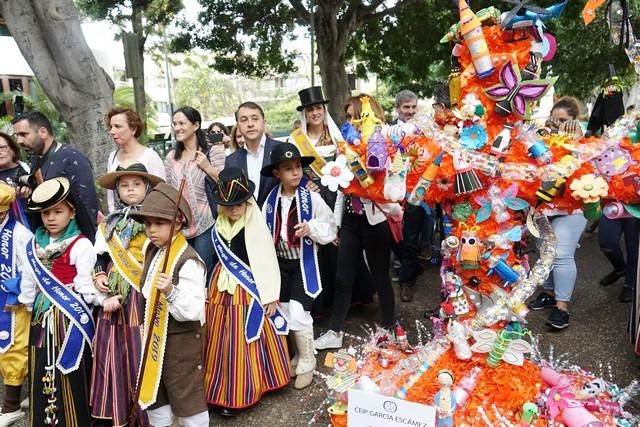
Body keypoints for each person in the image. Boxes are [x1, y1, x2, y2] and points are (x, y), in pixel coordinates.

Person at [315, 93, 401, 350]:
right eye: (348, 117)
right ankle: (335, 330)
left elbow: (392, 192)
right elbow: (342, 188)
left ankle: (389, 327)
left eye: (356, 116)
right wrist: (337, 223)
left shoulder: (383, 144)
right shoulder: (346, 148)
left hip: (375, 223)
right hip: (351, 222)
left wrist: (376, 194)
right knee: (343, 276)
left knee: (381, 276)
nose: (351, 122)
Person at [204, 167, 290, 416]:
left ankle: (245, 388)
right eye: (228, 204)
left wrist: (271, 294)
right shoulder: (219, 224)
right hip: (221, 288)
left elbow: (266, 260)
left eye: (239, 203)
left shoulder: (254, 223)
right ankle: (219, 389)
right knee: (221, 341)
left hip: (247, 290)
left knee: (245, 339)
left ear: (247, 201)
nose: (233, 209)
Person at [19, 177, 99, 426]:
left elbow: (86, 284)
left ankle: (73, 420)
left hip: (69, 317)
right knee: (42, 362)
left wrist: (101, 300)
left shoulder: (81, 245)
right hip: (42, 318)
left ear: (72, 212)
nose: (51, 218)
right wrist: (29, 304)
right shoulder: (34, 243)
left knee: (71, 368)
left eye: (58, 211)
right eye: (45, 213)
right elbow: (29, 280)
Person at [129, 182, 209, 427]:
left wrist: (171, 292)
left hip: (181, 343)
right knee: (157, 395)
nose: (152, 229)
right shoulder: (153, 250)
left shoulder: (188, 261)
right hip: (154, 340)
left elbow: (194, 310)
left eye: (160, 223)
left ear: (178, 223)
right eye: (148, 223)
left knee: (186, 399)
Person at [90, 161, 164, 427]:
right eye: (124, 185)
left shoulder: (155, 221)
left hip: (141, 296)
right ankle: (116, 407)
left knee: (140, 347)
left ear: (147, 187)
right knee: (113, 349)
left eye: (136, 184)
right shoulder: (109, 224)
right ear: (117, 191)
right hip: (113, 300)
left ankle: (146, 410)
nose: (130, 190)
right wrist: (99, 275)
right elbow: (100, 257)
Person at [261, 143, 337, 389]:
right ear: (277, 173)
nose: (295, 173)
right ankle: (295, 356)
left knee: (298, 310)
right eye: (288, 168)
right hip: (279, 263)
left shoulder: (312, 198)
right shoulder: (269, 202)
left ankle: (307, 361)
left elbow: (330, 227)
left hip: (303, 262)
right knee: (282, 310)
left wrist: (311, 228)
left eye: (298, 167)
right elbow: (263, 233)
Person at [527, 98, 588, 329]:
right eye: (554, 119)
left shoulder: (584, 145)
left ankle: (562, 309)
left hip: (571, 207)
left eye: (563, 121)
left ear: (575, 121)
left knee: (561, 254)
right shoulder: (540, 140)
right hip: (541, 207)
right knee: (544, 253)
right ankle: (550, 294)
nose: (558, 125)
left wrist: (575, 142)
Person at [11, 111, 99, 236]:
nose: (19, 140)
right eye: (17, 135)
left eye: (24, 134)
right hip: (47, 238)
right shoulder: (36, 159)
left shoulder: (72, 158)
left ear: (43, 132)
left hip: (75, 241)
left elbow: (87, 205)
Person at [165, 106, 225, 273]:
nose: (177, 128)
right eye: (175, 124)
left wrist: (207, 167)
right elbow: (169, 191)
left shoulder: (213, 151)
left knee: (203, 272)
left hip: (208, 224)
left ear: (196, 125)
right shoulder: (171, 158)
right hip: (181, 227)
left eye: (182, 123)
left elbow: (228, 185)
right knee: (185, 274)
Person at [0, 184, 34, 426]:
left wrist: (25, 299)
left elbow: (32, 269)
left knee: (14, 348)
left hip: (14, 302)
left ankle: (11, 406)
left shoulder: (19, 234)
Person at [214, 102, 281, 207]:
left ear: (264, 123)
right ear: (238, 126)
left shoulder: (280, 149)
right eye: (244, 120)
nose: (250, 124)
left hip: (279, 219)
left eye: (255, 118)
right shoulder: (231, 161)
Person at [105, 107, 166, 211]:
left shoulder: (150, 156)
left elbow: (161, 193)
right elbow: (111, 196)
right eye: (111, 127)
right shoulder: (112, 157)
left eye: (117, 126)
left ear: (133, 129)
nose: (112, 131)